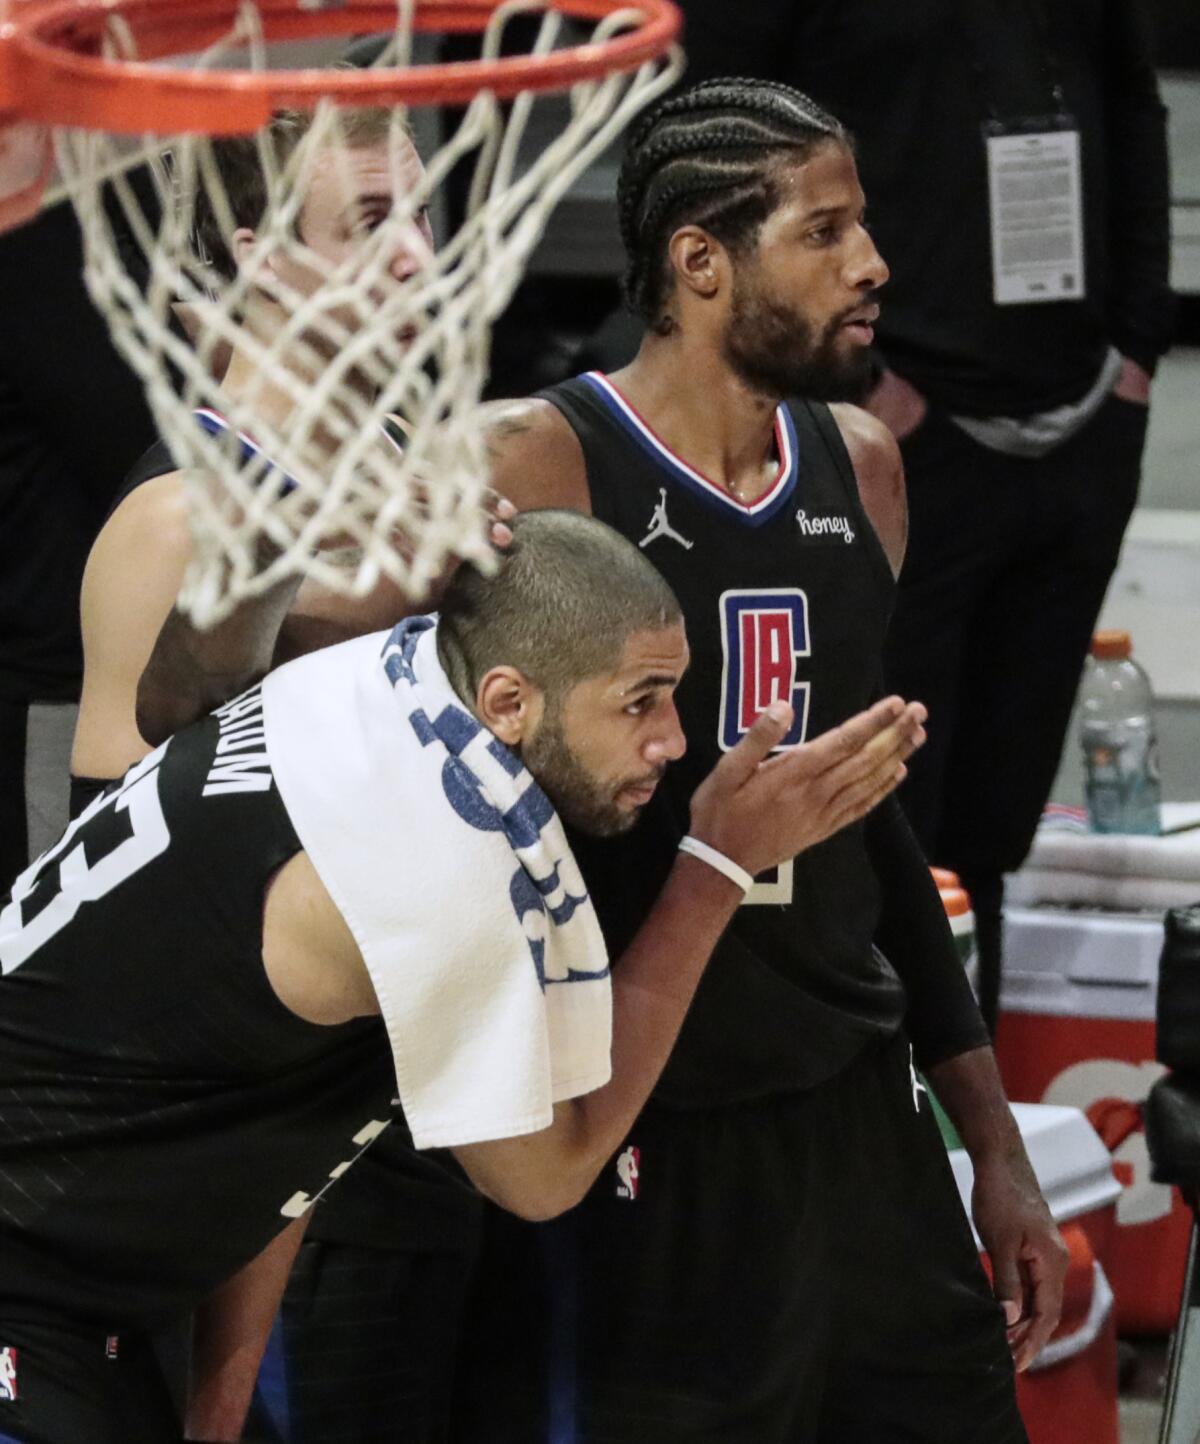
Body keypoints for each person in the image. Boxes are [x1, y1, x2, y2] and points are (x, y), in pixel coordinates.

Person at [0, 508, 922, 1444]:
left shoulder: (360, 687)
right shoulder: (434, 872)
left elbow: (276, 1129)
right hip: (30, 1279)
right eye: (640, 699)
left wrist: (215, 1418)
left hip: (90, 1284)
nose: (676, 741)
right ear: (508, 702)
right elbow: (546, 1176)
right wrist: (717, 870)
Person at [452, 80, 1068, 1443]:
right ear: (700, 260)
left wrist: (1001, 1153)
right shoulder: (542, 464)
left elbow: (876, 841)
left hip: (859, 1125)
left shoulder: (863, 466)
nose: (874, 265)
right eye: (827, 230)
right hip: (651, 1134)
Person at [67, 108, 508, 1444]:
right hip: (276, 1182)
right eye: (370, 222)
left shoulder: (424, 472)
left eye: (423, 215)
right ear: (255, 254)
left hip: (426, 1119)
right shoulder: (173, 519)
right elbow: (140, 946)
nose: (416, 257)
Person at [668, 0, 1176, 1033]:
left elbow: (1133, 108)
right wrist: (854, 373)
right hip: (894, 424)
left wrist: (1137, 351)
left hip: (1079, 418)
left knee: (991, 822)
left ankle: (963, 1111)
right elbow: (703, 146)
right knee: (885, 808)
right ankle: (883, 1108)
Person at [0, 191, 156, 894]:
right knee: (61, 962)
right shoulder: (33, 229)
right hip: (57, 692)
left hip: (99, 677)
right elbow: (142, 444)